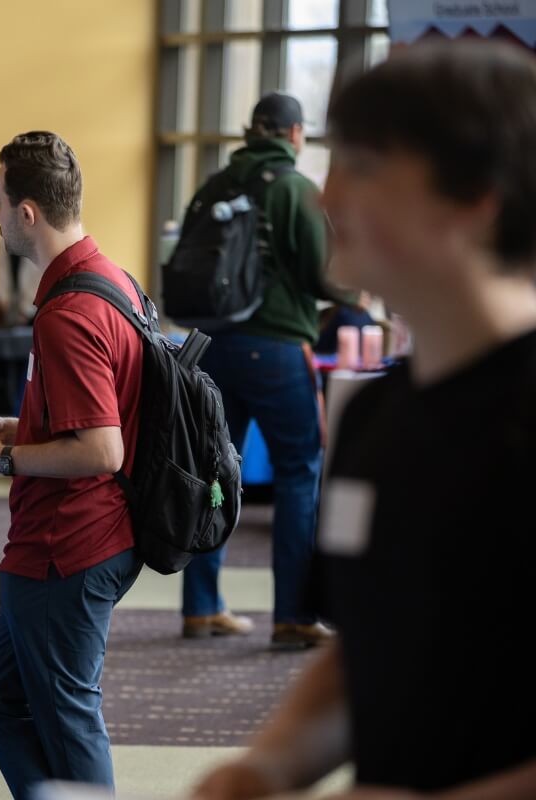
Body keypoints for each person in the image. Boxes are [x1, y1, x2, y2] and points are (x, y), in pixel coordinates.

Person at [192, 41, 536, 799]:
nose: (327, 197)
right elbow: (368, 649)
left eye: (365, 167)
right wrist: (265, 766)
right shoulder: (377, 412)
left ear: (477, 195)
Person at [0, 131, 144, 799]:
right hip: (78, 541)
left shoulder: (70, 313)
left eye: (1, 204)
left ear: (29, 213)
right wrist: (13, 427)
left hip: (68, 546)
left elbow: (100, 448)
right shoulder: (114, 280)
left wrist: (3, 457)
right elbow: (93, 416)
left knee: (67, 718)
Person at [177, 93, 347, 648]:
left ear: (253, 131)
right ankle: (294, 615)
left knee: (215, 475)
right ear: (294, 134)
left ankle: (201, 606)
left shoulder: (215, 186)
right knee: (300, 473)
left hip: (213, 349)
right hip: (276, 351)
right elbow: (326, 277)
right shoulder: (296, 190)